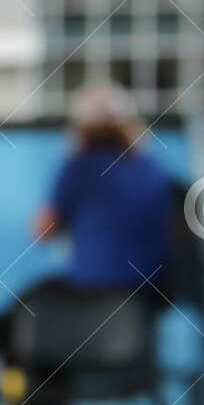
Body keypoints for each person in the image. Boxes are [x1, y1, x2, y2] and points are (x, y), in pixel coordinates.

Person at [33, 84, 171, 291]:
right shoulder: (152, 168)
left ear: (81, 128)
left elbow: (44, 230)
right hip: (150, 289)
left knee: (38, 296)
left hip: (90, 288)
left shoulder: (77, 169)